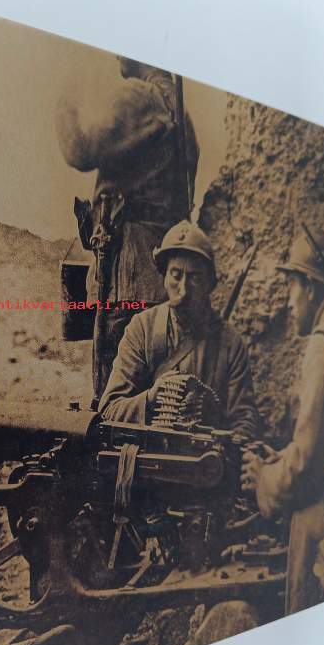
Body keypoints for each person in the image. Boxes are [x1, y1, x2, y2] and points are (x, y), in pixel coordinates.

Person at [241, 226, 324, 614]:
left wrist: (262, 479)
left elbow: (304, 468)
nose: (288, 303)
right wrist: (281, 458)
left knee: (304, 518)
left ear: (311, 288)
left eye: (291, 287)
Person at [57, 57, 199, 400]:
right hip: (156, 279)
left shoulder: (143, 96)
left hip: (128, 283)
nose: (116, 54)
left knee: (114, 404)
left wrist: (65, 100)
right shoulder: (178, 110)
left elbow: (81, 148)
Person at [98, 220, 260, 440]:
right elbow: (109, 409)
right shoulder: (142, 329)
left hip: (203, 459)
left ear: (209, 284)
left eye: (195, 278)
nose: (183, 289)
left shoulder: (230, 343)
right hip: (147, 457)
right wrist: (151, 399)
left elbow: (245, 422)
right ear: (164, 278)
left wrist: (218, 426)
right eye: (176, 275)